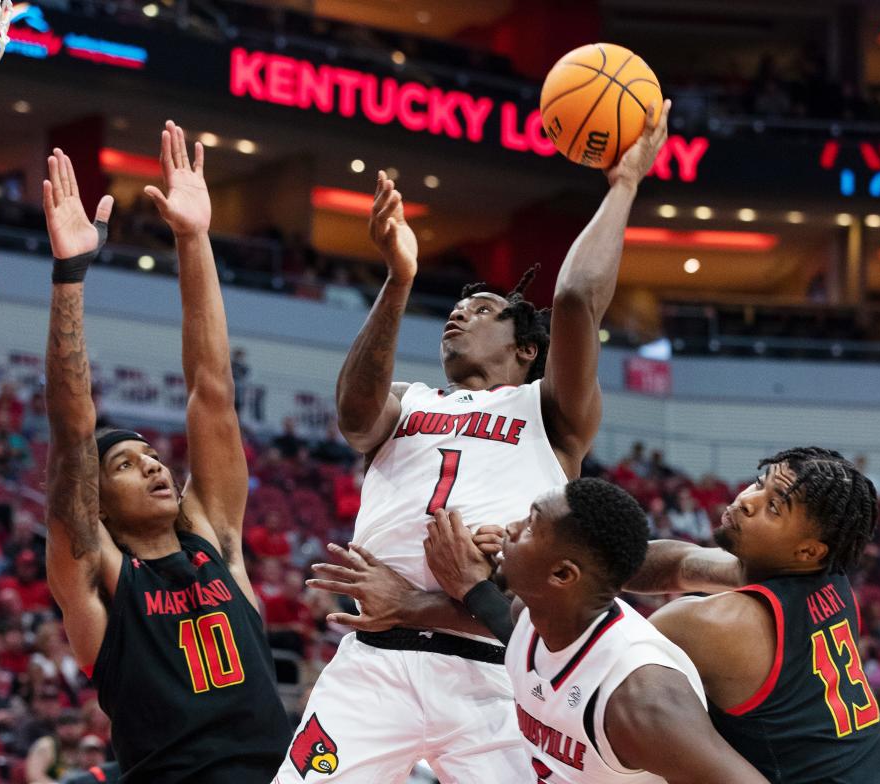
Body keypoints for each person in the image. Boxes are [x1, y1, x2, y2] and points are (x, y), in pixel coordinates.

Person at [276, 100, 672, 782]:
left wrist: (625, 184)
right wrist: (399, 281)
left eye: (483, 310)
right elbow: (353, 415)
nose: (460, 313)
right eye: (456, 308)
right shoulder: (410, 402)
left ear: (525, 348)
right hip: (376, 663)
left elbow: (576, 298)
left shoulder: (550, 409)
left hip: (499, 669)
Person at [42, 124, 289, 783]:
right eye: (125, 465)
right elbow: (71, 435)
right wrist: (70, 276)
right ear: (100, 502)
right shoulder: (99, 583)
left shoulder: (215, 541)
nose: (153, 464)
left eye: (152, 456)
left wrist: (194, 238)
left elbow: (212, 388)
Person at [308, 479, 766, 782]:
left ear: (563, 575)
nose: (508, 529)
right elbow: (501, 620)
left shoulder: (638, 699)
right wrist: (421, 601)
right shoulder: (539, 617)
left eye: (528, 526)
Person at [625, 447, 880, 782]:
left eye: (773, 507)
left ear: (808, 550)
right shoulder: (828, 574)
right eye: (759, 483)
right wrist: (604, 563)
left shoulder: (719, 625)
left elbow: (605, 651)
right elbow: (680, 563)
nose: (746, 500)